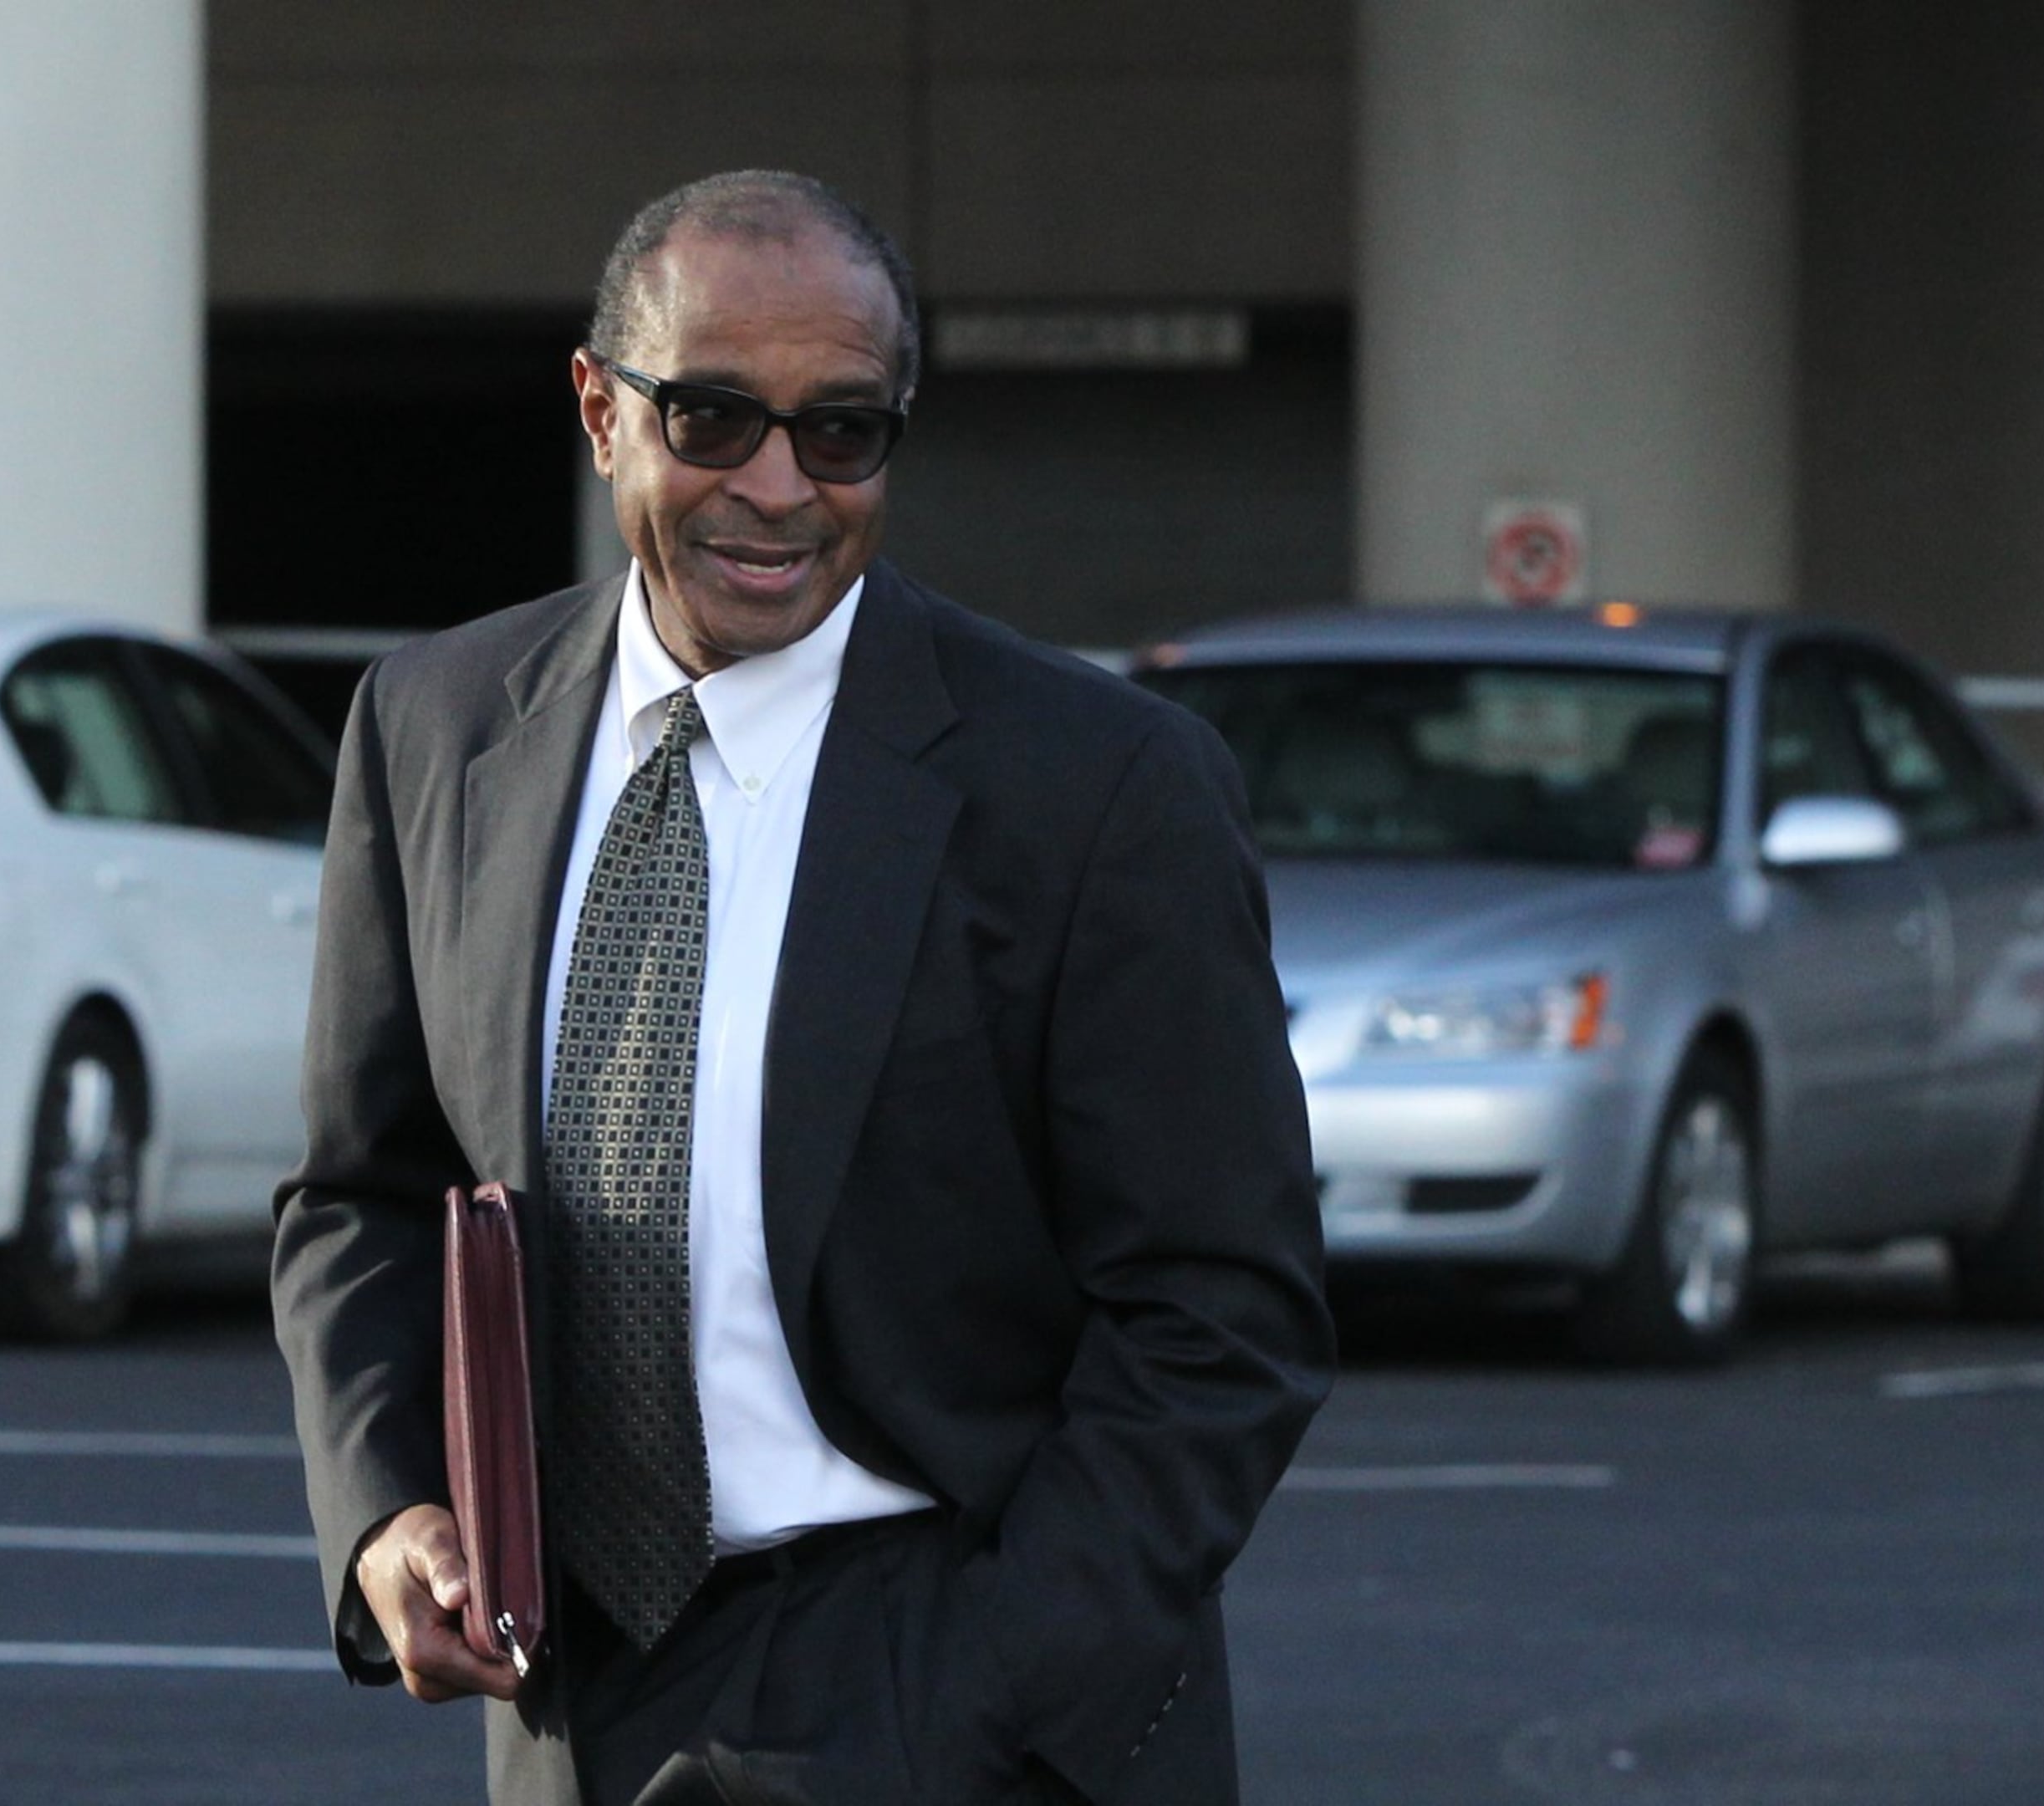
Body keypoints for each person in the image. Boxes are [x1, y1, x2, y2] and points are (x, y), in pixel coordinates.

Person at [272, 168, 1332, 1806]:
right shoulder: (435, 727)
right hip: (570, 1696)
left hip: (945, 1685)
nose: (777, 489)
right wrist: (390, 1518)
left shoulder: (1101, 787)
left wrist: (992, 1689)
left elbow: (1223, 1314)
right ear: (600, 410)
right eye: (712, 418)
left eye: (841, 432)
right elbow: (367, 1195)